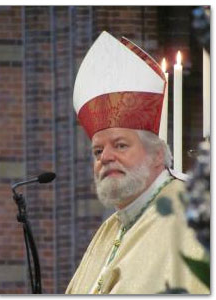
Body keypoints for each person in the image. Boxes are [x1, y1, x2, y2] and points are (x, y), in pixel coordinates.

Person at [65, 31, 209, 294]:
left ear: (157, 154)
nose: (105, 157)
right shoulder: (110, 229)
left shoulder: (191, 212)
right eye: (98, 152)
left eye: (120, 145)